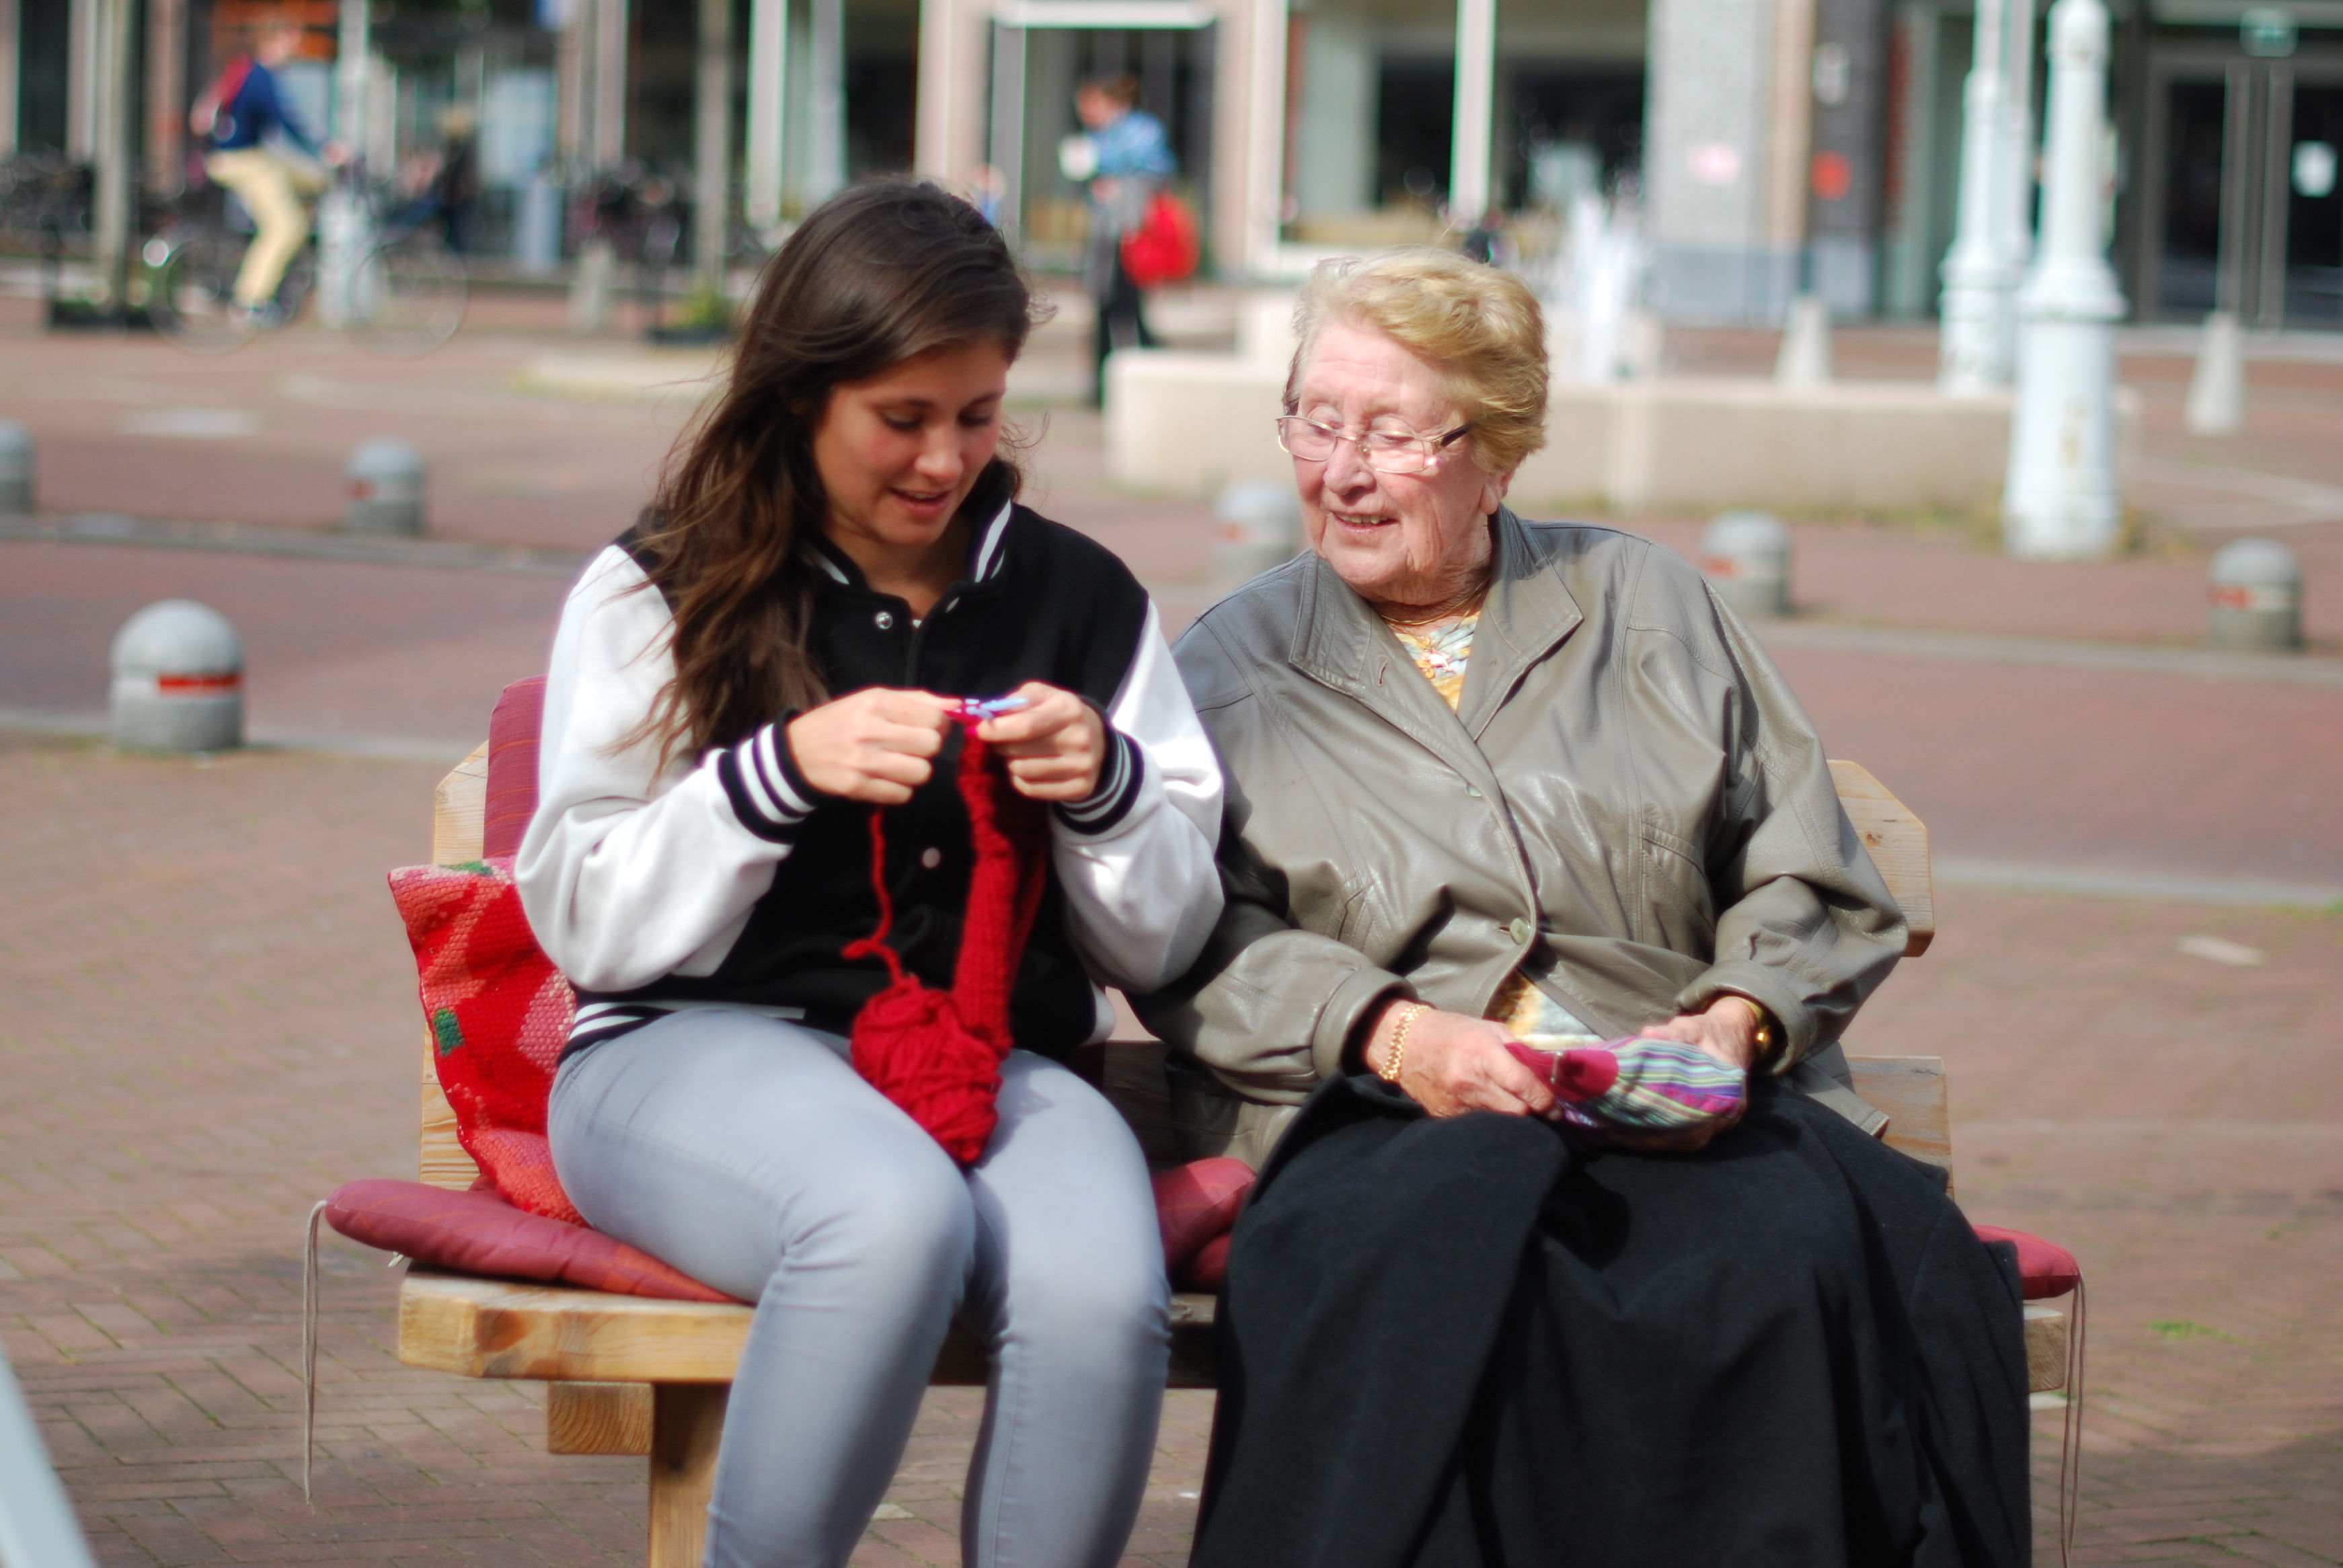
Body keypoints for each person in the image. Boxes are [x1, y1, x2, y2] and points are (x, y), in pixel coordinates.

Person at [1133, 247, 2033, 1567]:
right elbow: (1186, 934)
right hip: (1386, 1109)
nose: (1341, 468)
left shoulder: (1647, 604)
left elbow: (1804, 866)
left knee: (1783, 1260)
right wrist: (1388, 1030)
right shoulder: (1225, 664)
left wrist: (1732, 1022)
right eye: (1316, 422)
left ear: (1493, 454)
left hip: (1664, 1098)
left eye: (1390, 431)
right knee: (1450, 1279)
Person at [516, 181, 1225, 1568]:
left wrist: (1107, 786)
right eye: (901, 418)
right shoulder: (663, 582)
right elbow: (586, 912)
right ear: (800, 397)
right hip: (681, 1049)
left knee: (1098, 1288)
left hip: (990, 1059)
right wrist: (771, 776)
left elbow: (1164, 941)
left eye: (974, 413)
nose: (943, 459)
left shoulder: (1079, 600)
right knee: (882, 1216)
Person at [190, 18, 341, 325]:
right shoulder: (261, 76)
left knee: (317, 179)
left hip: (246, 156)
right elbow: (285, 121)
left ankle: (287, 265)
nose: (295, 50)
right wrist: (325, 148)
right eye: (291, 43)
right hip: (239, 160)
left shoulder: (249, 71)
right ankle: (250, 302)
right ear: (275, 41)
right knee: (286, 227)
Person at [1071, 73, 1172, 405]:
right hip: (1109, 235)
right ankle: (1112, 387)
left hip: (1128, 234)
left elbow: (1150, 173)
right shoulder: (1101, 135)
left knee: (1123, 308)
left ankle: (1141, 381)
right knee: (1114, 310)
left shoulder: (1136, 133)